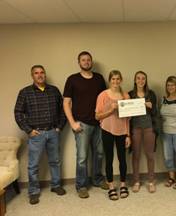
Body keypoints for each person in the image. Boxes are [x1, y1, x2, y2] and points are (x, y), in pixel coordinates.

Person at [14, 65, 66, 205]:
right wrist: (29, 130)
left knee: (55, 161)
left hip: (53, 132)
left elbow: (63, 110)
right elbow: (18, 113)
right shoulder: (25, 92)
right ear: (32, 76)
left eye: (42, 72)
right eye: (36, 73)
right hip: (36, 134)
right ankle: (34, 192)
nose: (40, 75)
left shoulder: (54, 90)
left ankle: (56, 185)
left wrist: (59, 127)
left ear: (45, 74)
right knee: (33, 165)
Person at [63, 51, 107, 199]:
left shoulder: (99, 79)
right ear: (79, 62)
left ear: (91, 62)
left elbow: (105, 99)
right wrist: (72, 123)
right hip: (81, 124)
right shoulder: (72, 79)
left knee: (100, 153)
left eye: (88, 60)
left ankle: (97, 179)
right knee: (82, 157)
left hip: (99, 123)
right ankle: (81, 186)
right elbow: (66, 103)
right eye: (83, 60)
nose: (86, 62)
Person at [95, 70, 131, 201]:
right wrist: (111, 110)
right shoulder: (103, 95)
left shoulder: (125, 96)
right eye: (113, 79)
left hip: (122, 131)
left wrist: (128, 135)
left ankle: (122, 185)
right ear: (109, 81)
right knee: (109, 159)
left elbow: (128, 119)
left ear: (121, 80)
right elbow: (97, 116)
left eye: (118, 79)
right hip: (107, 130)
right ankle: (111, 186)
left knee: (123, 159)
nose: (115, 82)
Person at [128, 71, 158, 193]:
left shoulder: (151, 94)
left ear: (146, 80)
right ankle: (136, 181)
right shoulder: (130, 94)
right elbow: (125, 112)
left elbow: (156, 112)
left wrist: (152, 106)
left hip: (149, 127)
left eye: (143, 78)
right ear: (135, 80)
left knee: (150, 155)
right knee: (136, 155)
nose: (141, 81)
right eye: (138, 78)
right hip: (135, 128)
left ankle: (151, 181)